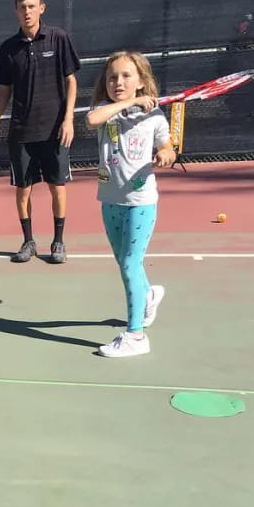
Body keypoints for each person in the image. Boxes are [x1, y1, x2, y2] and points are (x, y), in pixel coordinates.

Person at [85, 51, 175, 358]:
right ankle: (148, 296)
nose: (118, 82)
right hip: (110, 199)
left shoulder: (155, 116)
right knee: (124, 262)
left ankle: (136, 336)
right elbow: (91, 119)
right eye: (112, 77)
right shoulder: (105, 110)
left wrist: (165, 155)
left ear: (141, 81)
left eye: (126, 76)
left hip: (141, 201)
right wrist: (132, 102)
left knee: (129, 264)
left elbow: (167, 147)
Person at [0, 0, 80, 264]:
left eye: (31, 6)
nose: (27, 12)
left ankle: (58, 242)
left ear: (42, 8)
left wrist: (68, 119)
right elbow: (5, 91)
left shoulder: (58, 38)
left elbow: (71, 81)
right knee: (23, 189)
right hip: (21, 130)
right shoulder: (8, 49)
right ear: (16, 11)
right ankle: (28, 242)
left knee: (57, 185)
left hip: (54, 130)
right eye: (22, 7)